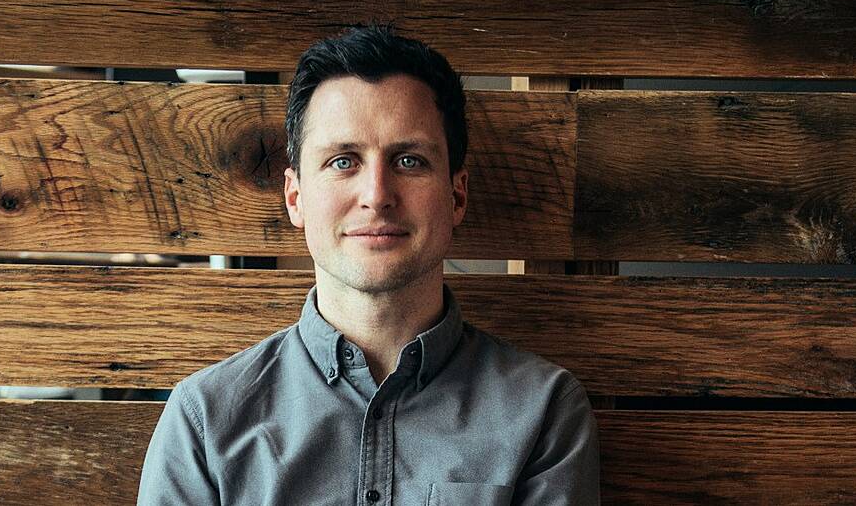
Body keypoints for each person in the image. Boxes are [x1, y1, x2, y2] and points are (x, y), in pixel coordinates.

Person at [137, 25, 599, 505]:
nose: (377, 196)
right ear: (295, 198)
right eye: (343, 161)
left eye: (409, 161)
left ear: (456, 195)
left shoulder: (543, 411)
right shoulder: (205, 421)